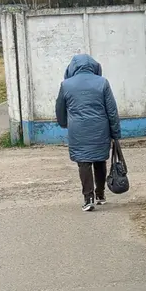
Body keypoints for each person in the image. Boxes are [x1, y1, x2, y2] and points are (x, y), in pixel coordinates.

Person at [54, 54, 121, 212]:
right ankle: (100, 194)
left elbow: (60, 109)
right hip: (100, 129)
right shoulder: (102, 83)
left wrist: (64, 124)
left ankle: (88, 198)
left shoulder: (66, 85)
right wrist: (115, 133)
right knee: (99, 161)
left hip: (78, 130)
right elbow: (112, 111)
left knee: (83, 162)